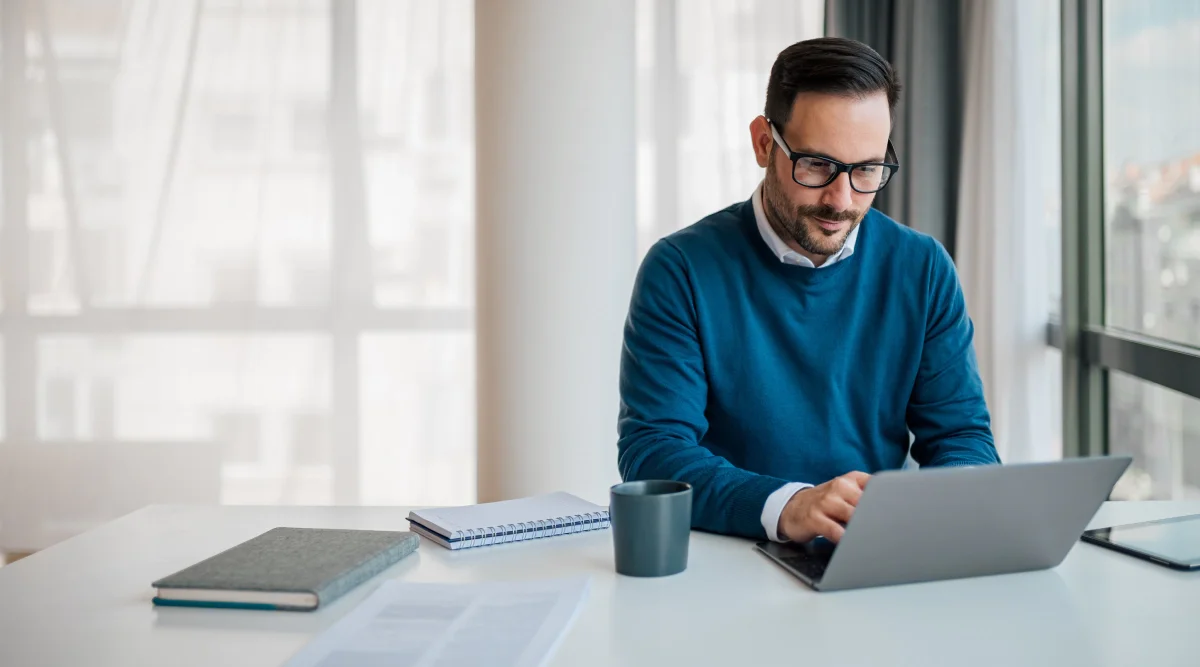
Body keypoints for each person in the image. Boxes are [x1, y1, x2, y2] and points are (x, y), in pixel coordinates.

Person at [616, 37, 999, 545]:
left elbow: (961, 437)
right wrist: (788, 506)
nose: (841, 200)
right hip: (730, 555)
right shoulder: (681, 269)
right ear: (763, 143)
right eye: (817, 164)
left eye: (866, 169)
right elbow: (653, 452)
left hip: (873, 552)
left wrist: (951, 502)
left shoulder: (922, 268)